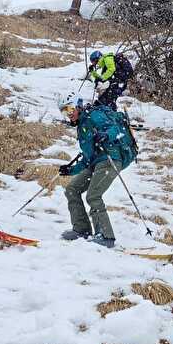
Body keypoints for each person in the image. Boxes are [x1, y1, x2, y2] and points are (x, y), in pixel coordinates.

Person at [58, 99, 137, 248]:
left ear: (77, 106)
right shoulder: (81, 127)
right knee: (72, 189)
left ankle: (106, 236)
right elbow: (87, 158)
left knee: (93, 195)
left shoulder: (94, 115)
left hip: (110, 158)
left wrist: (106, 135)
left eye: (69, 109)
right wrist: (70, 170)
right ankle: (81, 230)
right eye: (63, 111)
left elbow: (116, 130)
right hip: (95, 163)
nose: (68, 114)